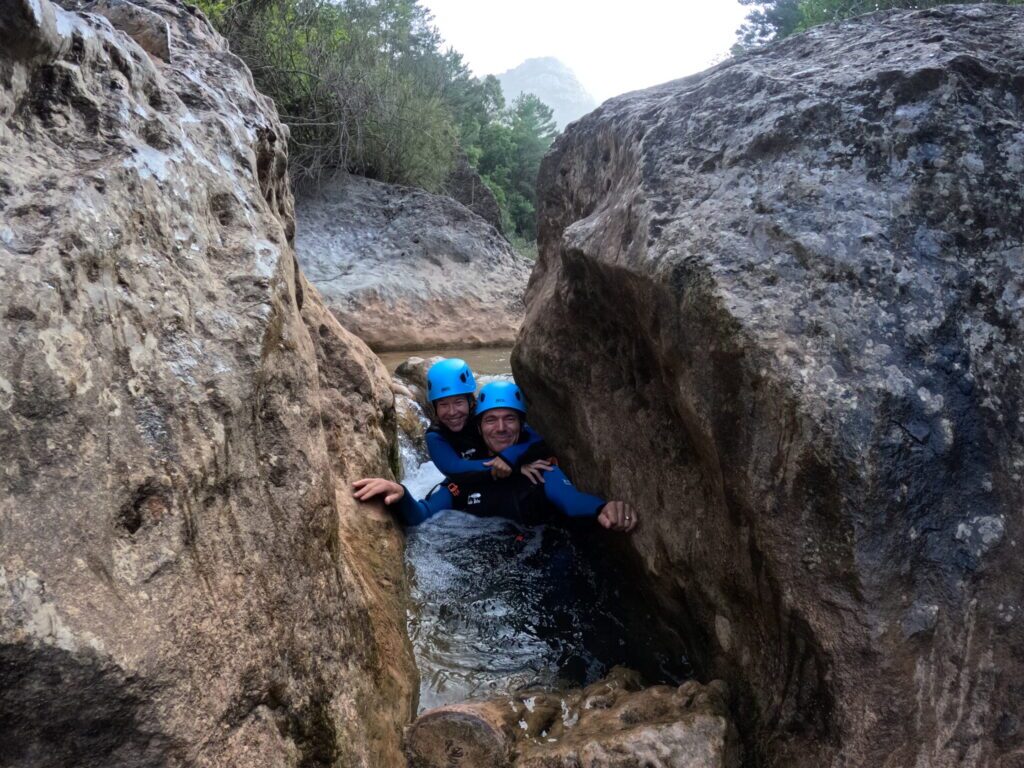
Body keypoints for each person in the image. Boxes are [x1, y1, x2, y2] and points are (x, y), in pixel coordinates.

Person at [354, 381, 638, 532]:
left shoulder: (540, 470)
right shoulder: (459, 484)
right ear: (478, 427)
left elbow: (572, 502)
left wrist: (603, 508)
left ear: (522, 425)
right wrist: (400, 493)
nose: (501, 428)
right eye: (491, 420)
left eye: (509, 420)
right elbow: (421, 517)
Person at [424, 358, 543, 481]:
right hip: (467, 481)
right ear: (435, 407)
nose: (452, 412)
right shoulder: (435, 435)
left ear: (471, 402)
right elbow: (453, 468)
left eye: (458, 402)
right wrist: (512, 465)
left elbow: (536, 439)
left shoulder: (486, 417)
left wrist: (510, 457)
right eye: (443, 405)